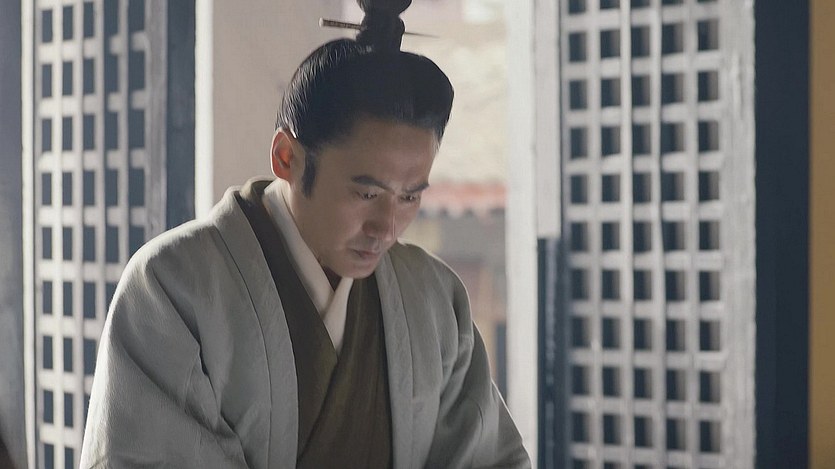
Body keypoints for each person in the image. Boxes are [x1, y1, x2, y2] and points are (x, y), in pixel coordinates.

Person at [80, 1, 530, 467]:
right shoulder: (173, 287)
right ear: (287, 158)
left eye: (410, 197)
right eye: (367, 193)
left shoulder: (434, 299)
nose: (387, 227)